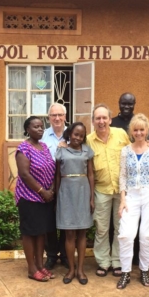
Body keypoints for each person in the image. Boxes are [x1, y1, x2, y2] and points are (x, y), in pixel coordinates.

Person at [117, 114, 149, 289]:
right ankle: (125, 272)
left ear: (147, 131)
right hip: (131, 195)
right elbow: (122, 176)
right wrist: (122, 200)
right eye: (135, 130)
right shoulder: (125, 151)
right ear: (131, 131)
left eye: (142, 129)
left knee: (148, 235)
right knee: (126, 234)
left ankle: (144, 270)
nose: (139, 133)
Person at [87, 104, 130, 278]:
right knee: (102, 229)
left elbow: (134, 150)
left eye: (104, 118)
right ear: (93, 121)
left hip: (121, 191)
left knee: (120, 228)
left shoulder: (121, 134)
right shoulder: (88, 140)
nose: (101, 121)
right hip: (101, 190)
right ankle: (104, 262)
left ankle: (118, 262)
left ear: (110, 120)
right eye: (98, 118)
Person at [15, 116, 56, 282]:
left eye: (42, 127)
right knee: (29, 233)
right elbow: (24, 174)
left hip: (45, 199)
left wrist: (51, 190)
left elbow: (52, 169)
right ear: (27, 130)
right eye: (36, 127)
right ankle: (32, 269)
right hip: (29, 198)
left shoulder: (44, 146)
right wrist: (42, 191)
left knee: (41, 233)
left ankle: (40, 266)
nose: (40, 129)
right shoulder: (23, 148)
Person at [55, 122, 94, 285]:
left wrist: (92, 198)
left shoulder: (87, 151)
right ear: (69, 133)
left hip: (83, 192)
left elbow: (91, 174)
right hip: (66, 193)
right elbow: (57, 175)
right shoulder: (61, 150)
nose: (78, 137)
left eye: (81, 135)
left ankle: (80, 270)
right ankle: (71, 269)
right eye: (75, 134)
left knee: (82, 233)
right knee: (69, 234)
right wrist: (57, 196)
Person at [111, 92, 140, 265]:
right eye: (124, 103)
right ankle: (117, 257)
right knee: (117, 223)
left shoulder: (139, 122)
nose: (127, 107)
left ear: (134, 104)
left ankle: (135, 256)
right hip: (117, 178)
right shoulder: (112, 123)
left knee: (134, 219)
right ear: (119, 103)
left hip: (136, 180)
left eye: (130, 104)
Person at [41, 102, 69, 270]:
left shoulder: (73, 134)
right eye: (53, 115)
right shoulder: (42, 135)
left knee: (66, 222)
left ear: (65, 116)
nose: (57, 118)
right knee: (49, 222)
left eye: (60, 115)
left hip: (68, 186)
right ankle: (51, 255)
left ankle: (65, 255)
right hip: (48, 187)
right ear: (49, 118)